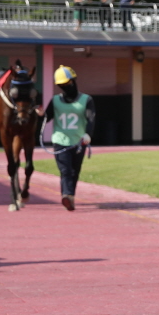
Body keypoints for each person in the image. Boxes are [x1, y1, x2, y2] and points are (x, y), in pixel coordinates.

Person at [40, 66, 94, 211]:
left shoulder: (86, 99)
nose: (66, 87)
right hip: (60, 141)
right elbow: (46, 118)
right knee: (66, 170)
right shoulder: (55, 100)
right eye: (62, 85)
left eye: (68, 84)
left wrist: (88, 134)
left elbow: (91, 119)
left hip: (79, 142)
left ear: (74, 81)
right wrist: (38, 115)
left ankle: (70, 197)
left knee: (75, 171)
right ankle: (67, 195)